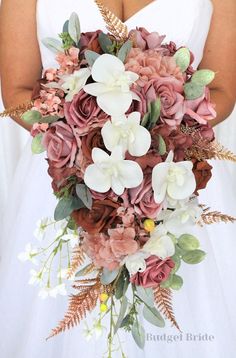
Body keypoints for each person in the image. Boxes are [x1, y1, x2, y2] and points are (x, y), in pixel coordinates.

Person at [0, 0, 235, 357]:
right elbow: (17, 91)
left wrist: (153, 136)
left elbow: (223, 92)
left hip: (174, 176)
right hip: (64, 180)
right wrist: (86, 138)